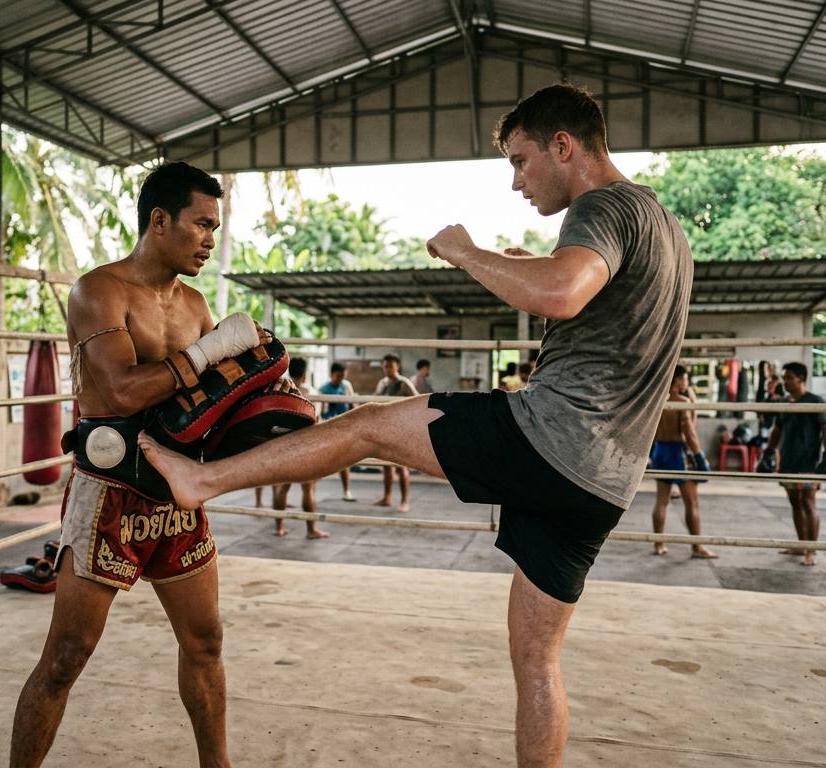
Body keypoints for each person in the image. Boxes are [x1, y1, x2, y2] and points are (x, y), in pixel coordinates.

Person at [138, 83, 693, 767]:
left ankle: (201, 480)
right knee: (537, 659)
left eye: (521, 161)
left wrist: (465, 251)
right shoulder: (664, 226)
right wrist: (516, 262)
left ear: (563, 145)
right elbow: (586, 300)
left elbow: (561, 292)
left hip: (551, 436)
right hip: (606, 478)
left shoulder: (603, 205)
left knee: (368, 425)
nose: (517, 181)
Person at [12, 162, 268, 768]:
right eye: (201, 224)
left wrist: (266, 396)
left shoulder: (196, 303)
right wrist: (210, 350)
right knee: (67, 654)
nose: (210, 238)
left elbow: (222, 394)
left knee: (205, 642)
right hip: (109, 493)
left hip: (177, 494)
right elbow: (123, 392)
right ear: (160, 221)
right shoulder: (98, 291)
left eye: (215, 226)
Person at [757, 361, 826, 567]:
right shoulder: (785, 404)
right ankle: (801, 544)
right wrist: (768, 451)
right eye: (784, 378)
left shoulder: (816, 402)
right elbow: (777, 429)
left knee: (809, 503)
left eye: (789, 378)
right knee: (794, 502)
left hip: (809, 463)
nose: (785, 382)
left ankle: (812, 550)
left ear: (801, 379)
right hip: (788, 461)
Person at [648, 365, 716, 558]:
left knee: (661, 501)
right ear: (677, 380)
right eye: (685, 378)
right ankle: (697, 547)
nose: (687, 382)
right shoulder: (682, 402)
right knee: (691, 502)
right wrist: (699, 456)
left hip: (661, 451)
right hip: (679, 453)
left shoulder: (657, 401)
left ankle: (658, 544)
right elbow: (690, 433)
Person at [273, 357, 329, 539]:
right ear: (305, 375)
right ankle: (311, 530)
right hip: (306, 443)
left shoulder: (282, 391)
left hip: (286, 442)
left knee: (283, 487)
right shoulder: (311, 392)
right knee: (308, 489)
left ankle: (279, 527)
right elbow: (316, 420)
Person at [373, 353, 418, 513]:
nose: (387, 369)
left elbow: (417, 402)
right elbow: (376, 402)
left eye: (390, 366)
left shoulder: (404, 383)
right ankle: (387, 497)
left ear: (397, 366)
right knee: (386, 466)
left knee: (401, 466)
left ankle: (405, 501)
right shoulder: (383, 383)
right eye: (385, 366)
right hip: (385, 428)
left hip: (401, 429)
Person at [318, 362, 357, 500]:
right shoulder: (323, 389)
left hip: (344, 427)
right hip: (328, 426)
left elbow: (353, 405)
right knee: (320, 459)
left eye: (343, 376)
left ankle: (347, 491)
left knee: (344, 461)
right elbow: (320, 411)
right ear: (331, 374)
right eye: (338, 376)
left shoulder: (346, 386)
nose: (341, 379)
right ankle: (311, 488)